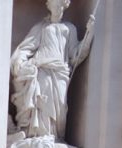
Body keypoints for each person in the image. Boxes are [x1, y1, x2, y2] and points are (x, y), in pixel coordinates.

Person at [10, 0, 94, 140]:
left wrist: (89, 34)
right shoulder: (41, 27)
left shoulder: (69, 29)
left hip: (60, 72)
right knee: (42, 103)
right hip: (42, 69)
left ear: (64, 5)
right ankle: (38, 136)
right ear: (49, 6)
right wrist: (19, 61)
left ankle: (54, 137)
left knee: (60, 107)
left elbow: (76, 54)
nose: (56, 7)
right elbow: (26, 47)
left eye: (59, 4)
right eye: (53, 3)